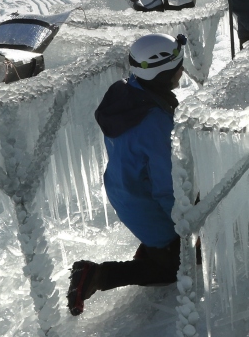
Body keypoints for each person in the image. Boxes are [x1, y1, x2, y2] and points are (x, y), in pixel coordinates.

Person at [68, 33, 189, 316]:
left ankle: (155, 248)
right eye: (178, 67)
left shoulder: (126, 92)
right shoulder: (156, 124)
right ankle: (95, 275)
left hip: (124, 190)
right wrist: (187, 222)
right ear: (164, 73)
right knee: (173, 269)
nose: (183, 70)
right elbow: (166, 187)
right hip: (145, 202)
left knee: (167, 246)